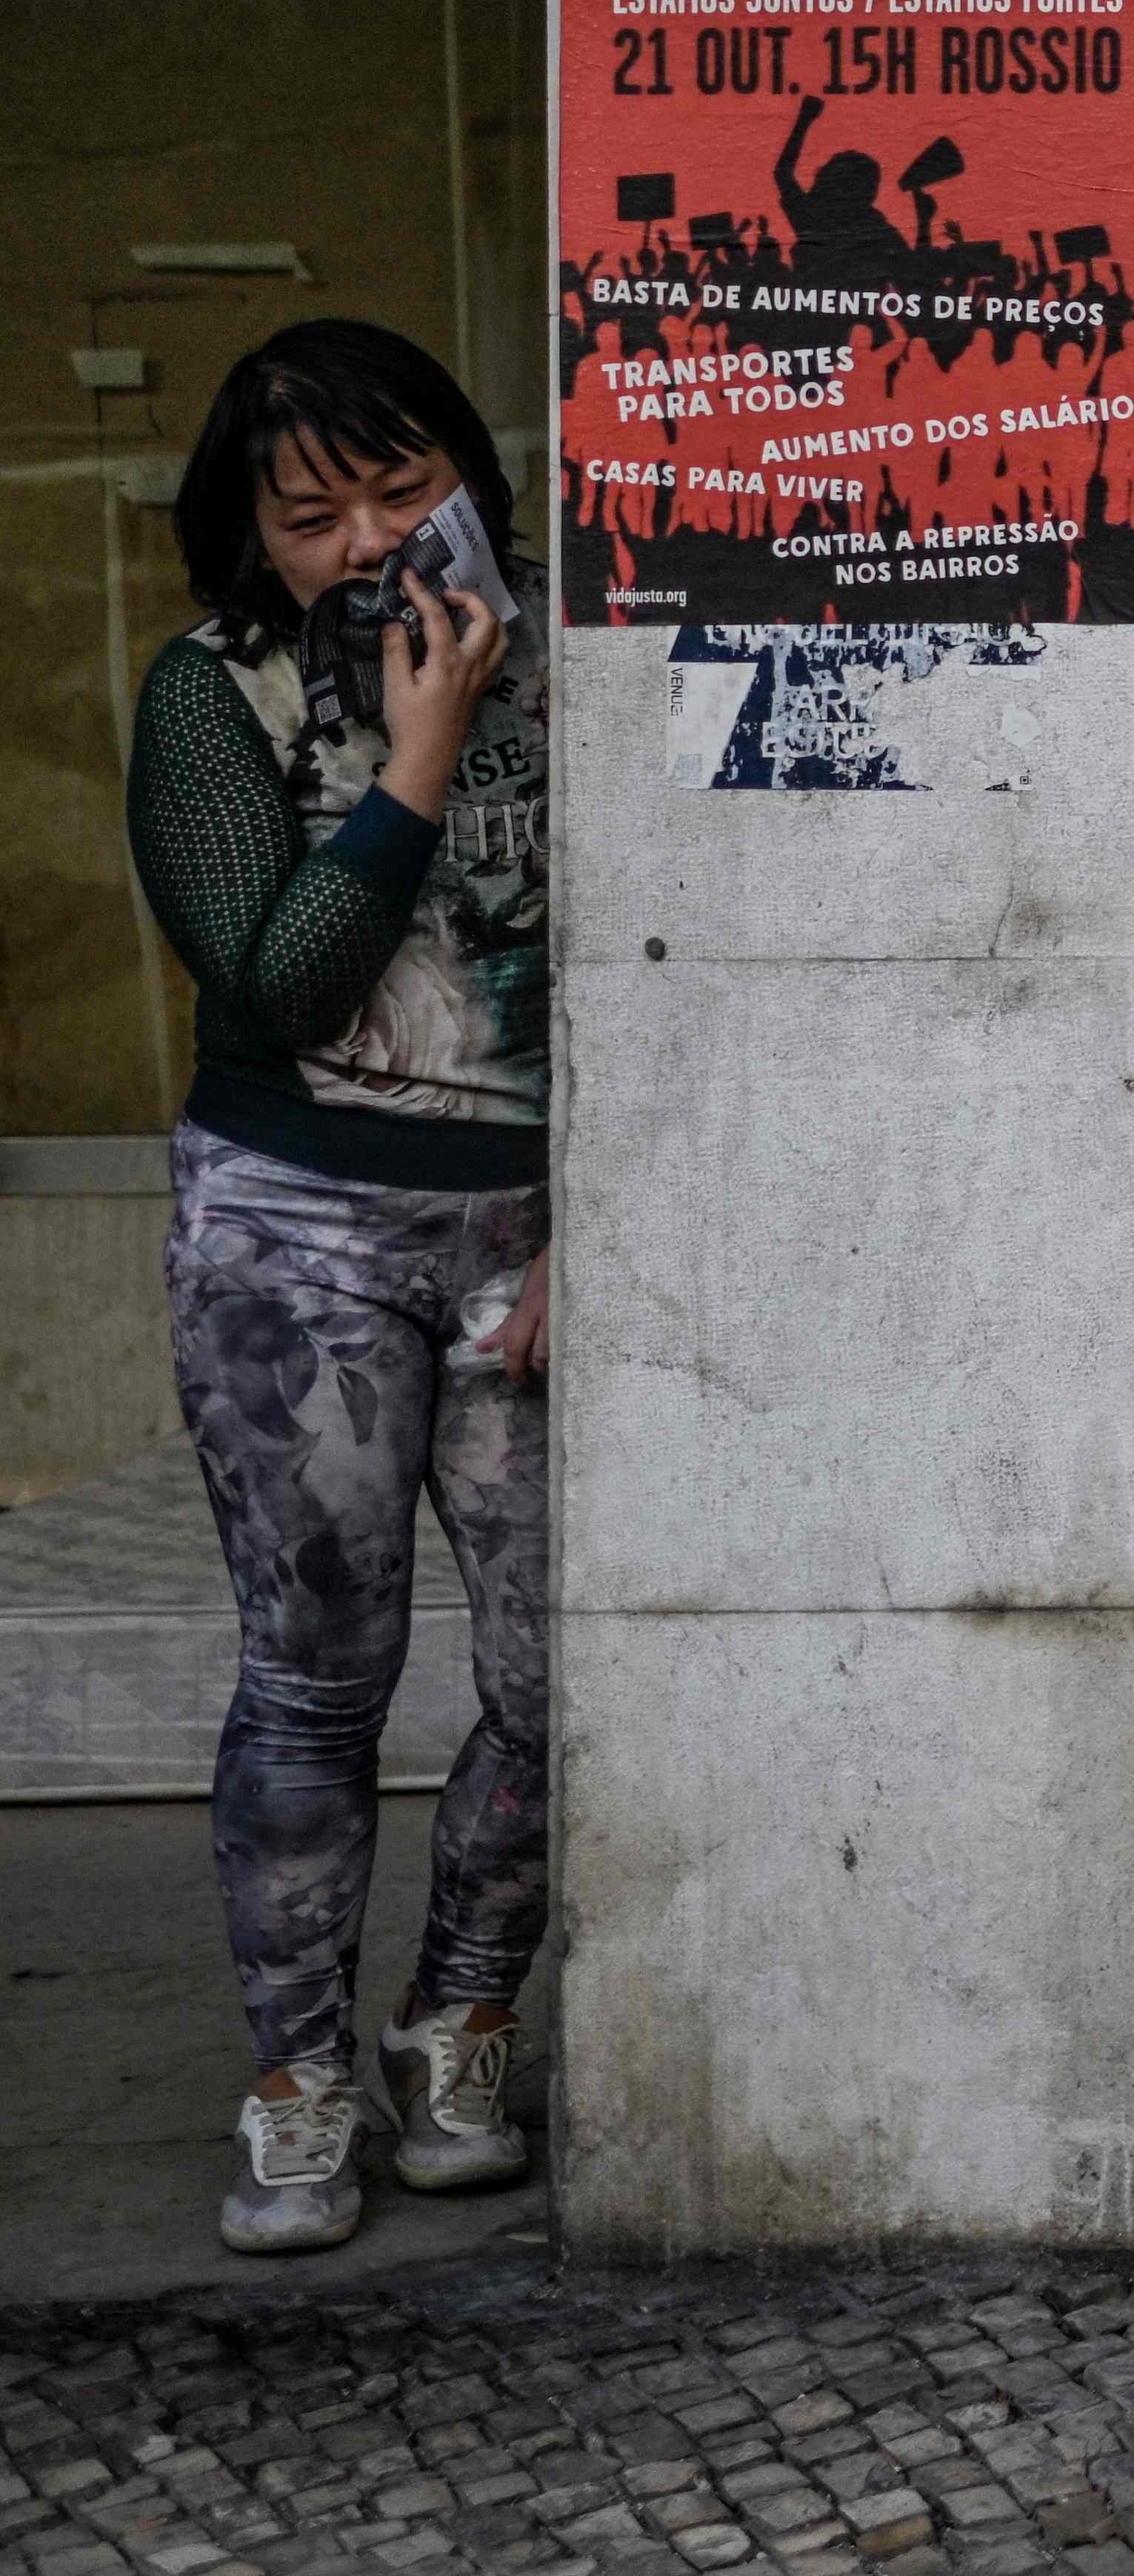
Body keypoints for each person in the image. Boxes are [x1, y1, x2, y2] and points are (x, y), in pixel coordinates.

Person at [121, 321, 552, 2254]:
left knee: (568, 1674)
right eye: (315, 516)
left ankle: (457, 2019)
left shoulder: (580, 675)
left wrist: (605, 1221)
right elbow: (274, 981)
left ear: (470, 481)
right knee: (318, 1674)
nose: (372, 541)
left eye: (404, 489)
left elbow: (679, 968)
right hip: (289, 1222)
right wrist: (417, 756)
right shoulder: (205, 696)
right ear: (253, 538)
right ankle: (297, 2080)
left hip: (527, 1230)